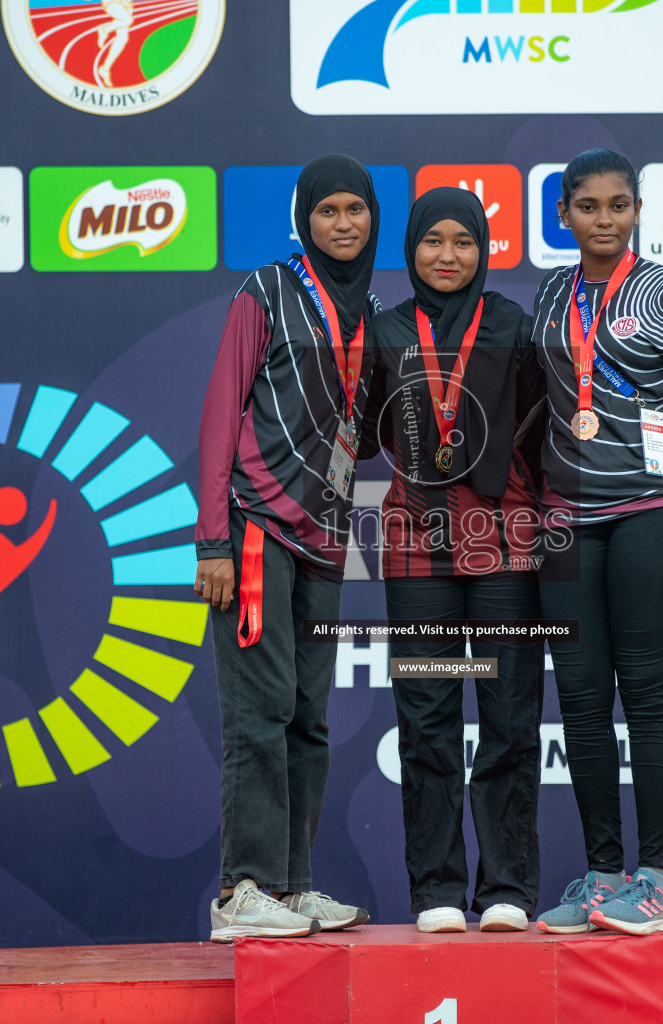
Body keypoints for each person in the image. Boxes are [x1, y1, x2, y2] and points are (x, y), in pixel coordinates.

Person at [530, 149, 663, 937]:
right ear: (564, 215)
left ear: (638, 210)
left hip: (651, 514)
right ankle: (604, 877)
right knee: (578, 704)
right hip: (565, 520)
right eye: (587, 206)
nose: (603, 219)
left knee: (645, 694)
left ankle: (656, 882)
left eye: (618, 205)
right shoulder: (548, 296)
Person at [195, 155, 381, 942]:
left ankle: (293, 887)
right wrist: (212, 540)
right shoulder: (265, 292)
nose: (344, 223)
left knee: (309, 716)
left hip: (326, 540)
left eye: (357, 211)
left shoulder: (369, 312)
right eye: (329, 210)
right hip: (255, 530)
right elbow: (218, 413)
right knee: (259, 713)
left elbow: (361, 439)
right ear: (306, 219)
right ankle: (244, 890)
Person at [361, 187, 546, 933]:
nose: (447, 255)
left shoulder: (512, 324)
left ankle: (507, 888)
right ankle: (435, 888)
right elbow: (372, 431)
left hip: (505, 546)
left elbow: (542, 427)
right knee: (428, 719)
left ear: (484, 249)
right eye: (432, 241)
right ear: (410, 250)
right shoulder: (386, 330)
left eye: (463, 241)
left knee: (507, 717)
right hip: (417, 553)